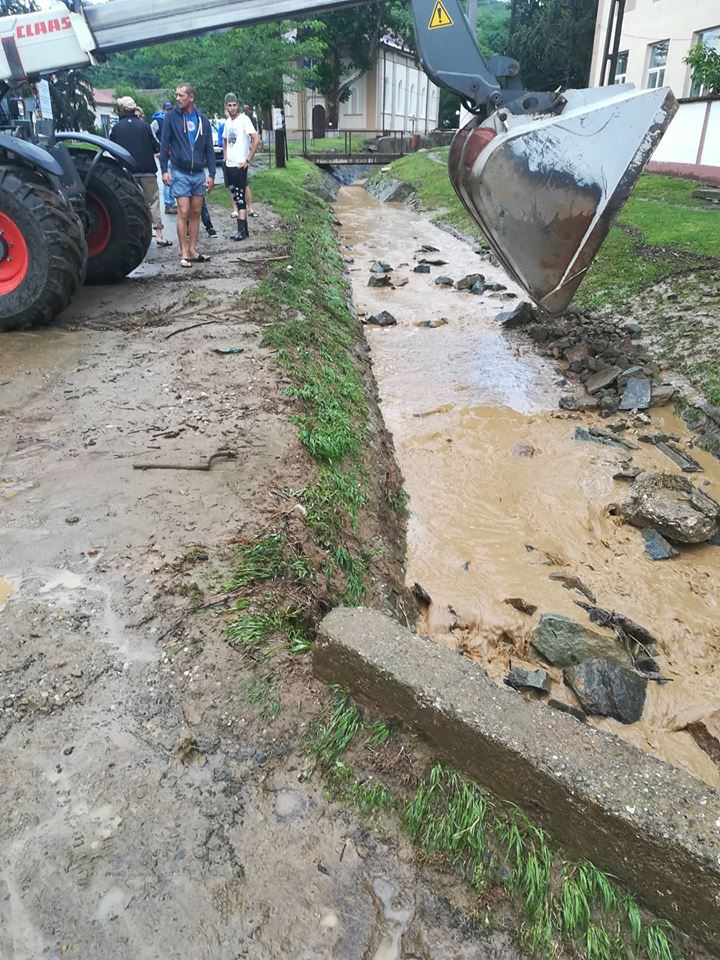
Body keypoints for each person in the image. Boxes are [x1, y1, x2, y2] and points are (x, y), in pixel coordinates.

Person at [159, 82, 216, 268]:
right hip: (180, 171)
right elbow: (164, 144)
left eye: (181, 95)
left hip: (198, 172)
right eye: (176, 95)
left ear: (191, 97)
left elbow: (209, 149)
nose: (177, 98)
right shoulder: (171, 118)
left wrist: (212, 174)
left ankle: (192, 250)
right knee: (183, 211)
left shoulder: (202, 120)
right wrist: (164, 170)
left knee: (196, 212)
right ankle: (183, 252)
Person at [110, 95, 172, 249]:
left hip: (126, 173)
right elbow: (155, 146)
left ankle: (136, 236)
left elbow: (111, 148)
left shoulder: (117, 128)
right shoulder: (144, 126)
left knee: (131, 204)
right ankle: (159, 235)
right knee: (153, 202)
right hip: (147, 171)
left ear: (122, 108)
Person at [222, 92, 260, 241]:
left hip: (240, 165)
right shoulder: (227, 122)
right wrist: (225, 155)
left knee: (240, 196)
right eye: (229, 105)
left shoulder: (244, 120)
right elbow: (225, 140)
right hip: (229, 164)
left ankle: (242, 230)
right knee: (234, 194)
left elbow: (256, 139)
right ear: (226, 106)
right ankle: (243, 228)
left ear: (237, 105)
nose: (232, 108)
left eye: (234, 105)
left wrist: (248, 159)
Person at [151, 100, 177, 213]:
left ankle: (172, 202)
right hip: (165, 153)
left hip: (173, 153)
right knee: (168, 178)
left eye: (170, 109)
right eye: (167, 109)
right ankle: (169, 204)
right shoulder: (158, 121)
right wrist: (159, 147)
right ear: (163, 110)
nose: (169, 111)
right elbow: (151, 133)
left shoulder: (173, 120)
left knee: (174, 178)